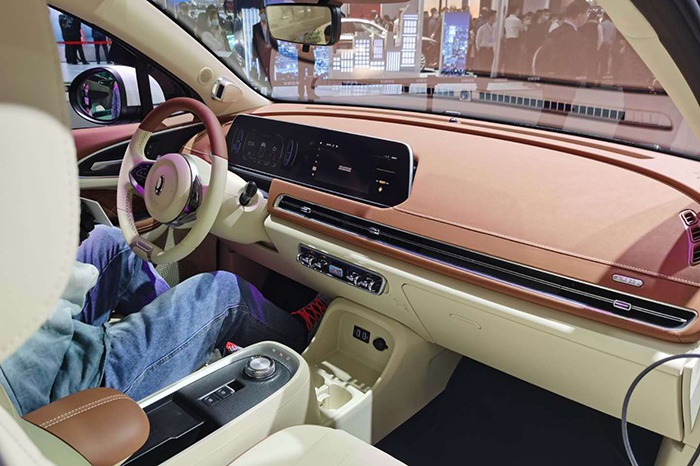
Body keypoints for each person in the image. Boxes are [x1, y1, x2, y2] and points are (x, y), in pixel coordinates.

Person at [0, 220, 329, 417]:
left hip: (36, 341)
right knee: (224, 293)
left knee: (111, 243)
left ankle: (189, 343)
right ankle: (300, 334)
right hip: (64, 382)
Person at [535, 0, 589, 80]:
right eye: (586, 14)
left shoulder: (556, 31)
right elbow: (571, 64)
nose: (586, 18)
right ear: (580, 16)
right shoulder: (573, 36)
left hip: (549, 75)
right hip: (564, 79)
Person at [503, 6, 525, 75]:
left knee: (508, 57)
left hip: (508, 40)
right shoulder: (517, 20)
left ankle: (506, 72)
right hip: (515, 41)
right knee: (514, 58)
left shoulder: (506, 19)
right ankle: (512, 73)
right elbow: (522, 29)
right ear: (515, 11)